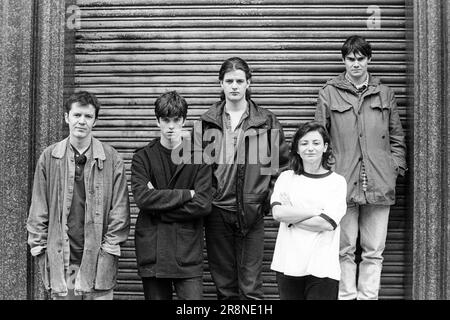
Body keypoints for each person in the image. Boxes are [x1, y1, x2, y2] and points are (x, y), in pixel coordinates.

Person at [314, 35, 407, 300]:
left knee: (373, 251)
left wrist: (394, 167)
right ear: (343, 60)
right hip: (342, 182)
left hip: (379, 182)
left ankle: (368, 297)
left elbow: (397, 137)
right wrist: (328, 172)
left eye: (361, 59)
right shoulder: (329, 92)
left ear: (369, 60)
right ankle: (346, 297)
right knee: (343, 250)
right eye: (351, 59)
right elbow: (320, 135)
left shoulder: (385, 93)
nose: (356, 64)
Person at [198, 57, 289, 300]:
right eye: (229, 81)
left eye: (240, 81)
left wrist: (264, 201)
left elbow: (281, 166)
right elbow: (198, 167)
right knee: (224, 288)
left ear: (249, 83)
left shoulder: (266, 121)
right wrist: (207, 198)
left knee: (251, 288)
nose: (235, 86)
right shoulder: (208, 122)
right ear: (221, 84)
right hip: (216, 211)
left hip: (251, 212)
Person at [26, 91, 131, 300]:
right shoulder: (50, 157)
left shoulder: (111, 159)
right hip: (65, 262)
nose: (81, 121)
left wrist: (108, 249)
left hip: (97, 262)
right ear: (67, 117)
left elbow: (120, 214)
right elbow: (38, 210)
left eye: (88, 116)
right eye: (76, 115)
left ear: (95, 120)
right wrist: (41, 250)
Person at [131, 90, 212, 300]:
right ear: (157, 121)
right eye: (165, 120)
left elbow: (203, 204)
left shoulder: (199, 158)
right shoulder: (143, 157)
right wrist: (187, 194)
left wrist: (158, 208)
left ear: (184, 121)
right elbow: (142, 198)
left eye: (176, 120)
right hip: (153, 253)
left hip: (186, 253)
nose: (171, 126)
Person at [270, 121, 347, 300]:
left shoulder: (336, 182)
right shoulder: (286, 178)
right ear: (297, 148)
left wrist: (292, 214)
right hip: (288, 264)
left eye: (316, 143)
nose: (310, 148)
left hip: (322, 267)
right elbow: (278, 214)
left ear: (325, 147)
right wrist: (314, 211)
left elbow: (326, 223)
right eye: (304, 143)